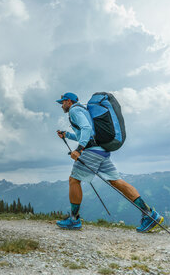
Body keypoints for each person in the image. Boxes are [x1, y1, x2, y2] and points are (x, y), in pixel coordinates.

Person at [55, 92, 163, 232]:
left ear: (69, 101)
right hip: (102, 151)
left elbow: (87, 130)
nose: (61, 105)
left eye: (62, 102)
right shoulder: (84, 110)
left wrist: (79, 149)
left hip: (91, 151)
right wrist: (67, 135)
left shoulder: (75, 110)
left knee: (73, 180)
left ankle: (74, 220)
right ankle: (149, 214)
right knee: (116, 181)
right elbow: (87, 133)